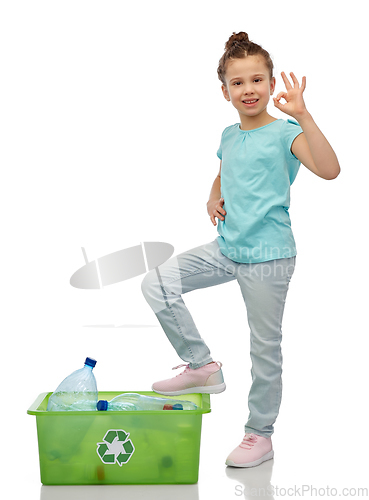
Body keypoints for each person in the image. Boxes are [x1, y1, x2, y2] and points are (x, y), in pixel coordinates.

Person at [141, 31, 340, 468]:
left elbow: (329, 169)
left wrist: (304, 115)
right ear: (225, 91)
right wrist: (212, 197)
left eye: (257, 80)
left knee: (264, 347)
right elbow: (222, 173)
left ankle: (258, 435)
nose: (248, 89)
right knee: (157, 282)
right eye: (238, 83)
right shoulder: (230, 134)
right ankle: (202, 366)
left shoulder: (286, 132)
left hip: (269, 257)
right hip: (227, 247)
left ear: (271, 85)